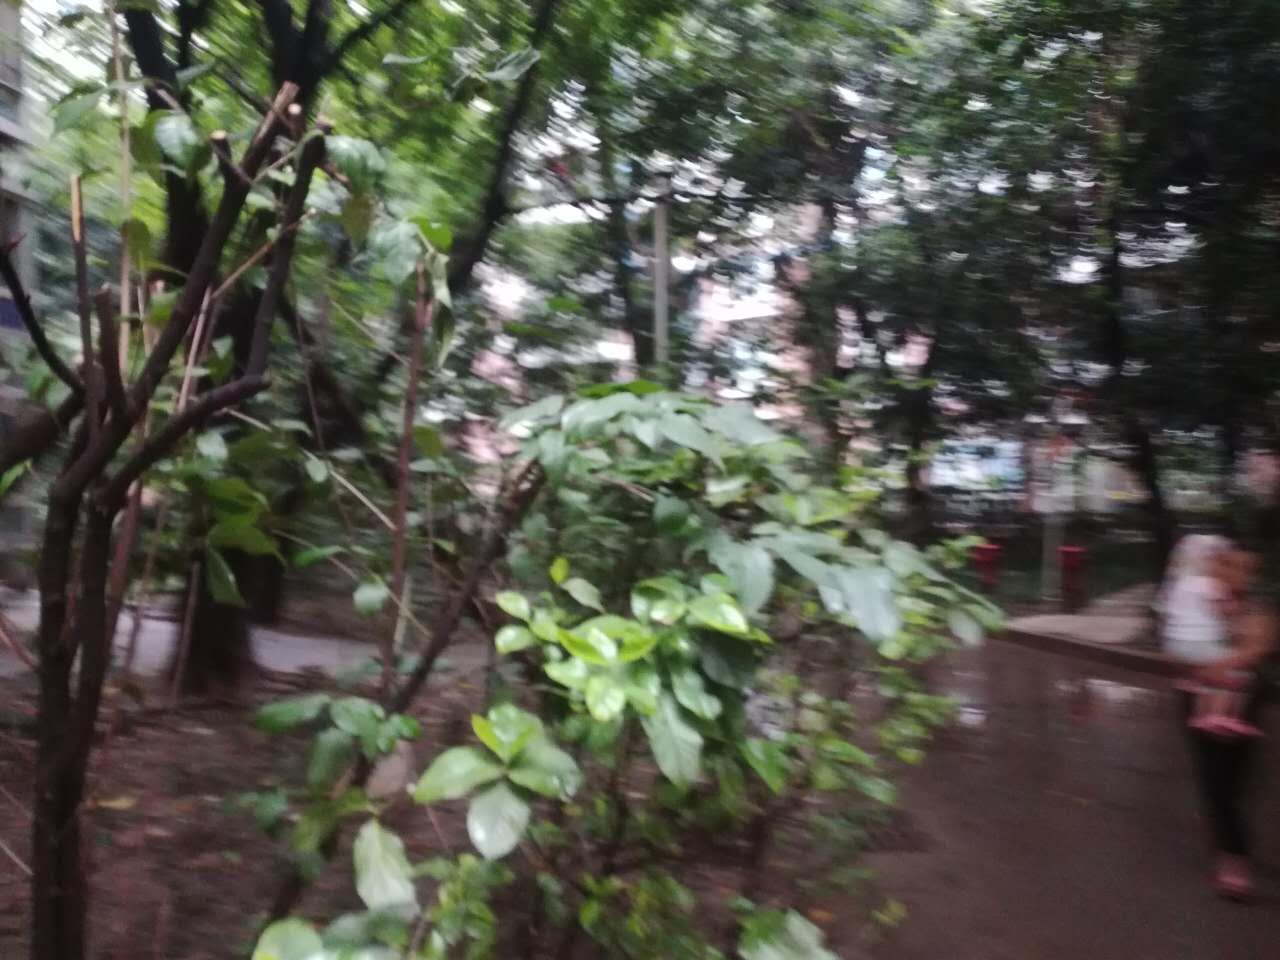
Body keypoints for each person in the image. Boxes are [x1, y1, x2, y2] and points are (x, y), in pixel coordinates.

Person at [1158, 535, 1276, 900]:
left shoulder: (1254, 606)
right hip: (1195, 697)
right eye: (1227, 564)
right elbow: (1176, 646)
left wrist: (1222, 663)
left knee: (1235, 779)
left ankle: (1225, 832)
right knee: (1215, 778)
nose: (1235, 573)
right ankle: (1233, 858)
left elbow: (1260, 645)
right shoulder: (1196, 598)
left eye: (1244, 568)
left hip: (1242, 701)